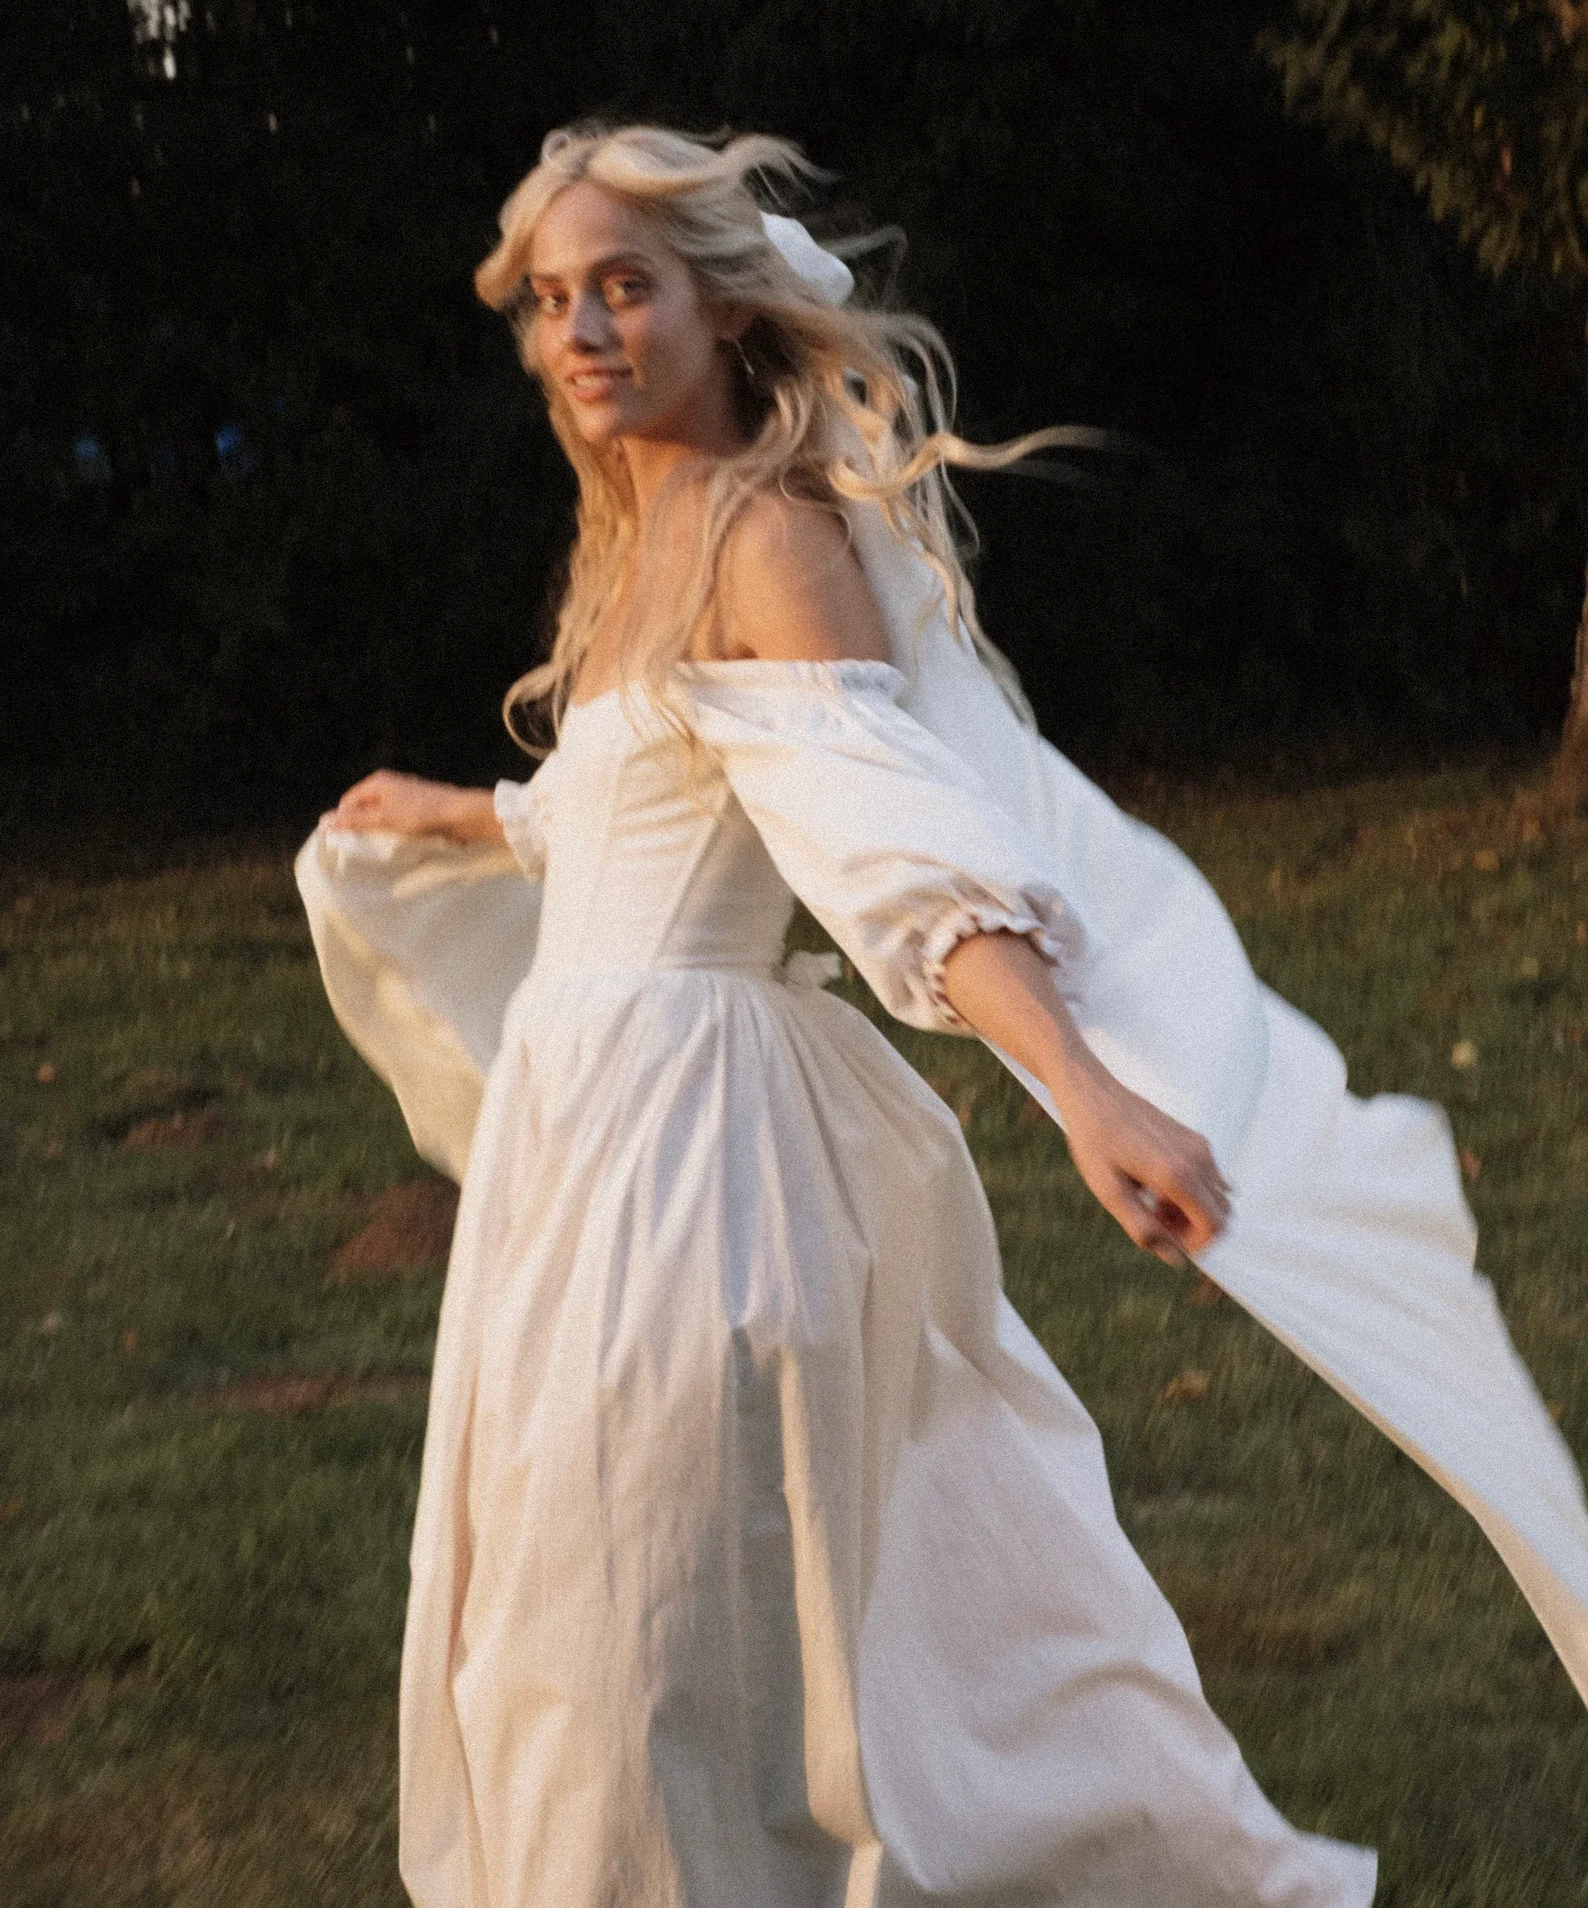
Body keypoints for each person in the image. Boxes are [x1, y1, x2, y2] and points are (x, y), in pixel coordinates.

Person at [301, 125, 1588, 1908]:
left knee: (629, 1613)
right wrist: (458, 810)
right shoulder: (648, 528)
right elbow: (644, 806)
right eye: (551, 298)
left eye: (624, 284)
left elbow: (877, 834)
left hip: (693, 1153)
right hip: (581, 1138)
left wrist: (1082, 1089)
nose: (584, 327)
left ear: (719, 305)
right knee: (580, 1595)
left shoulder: (766, 533)